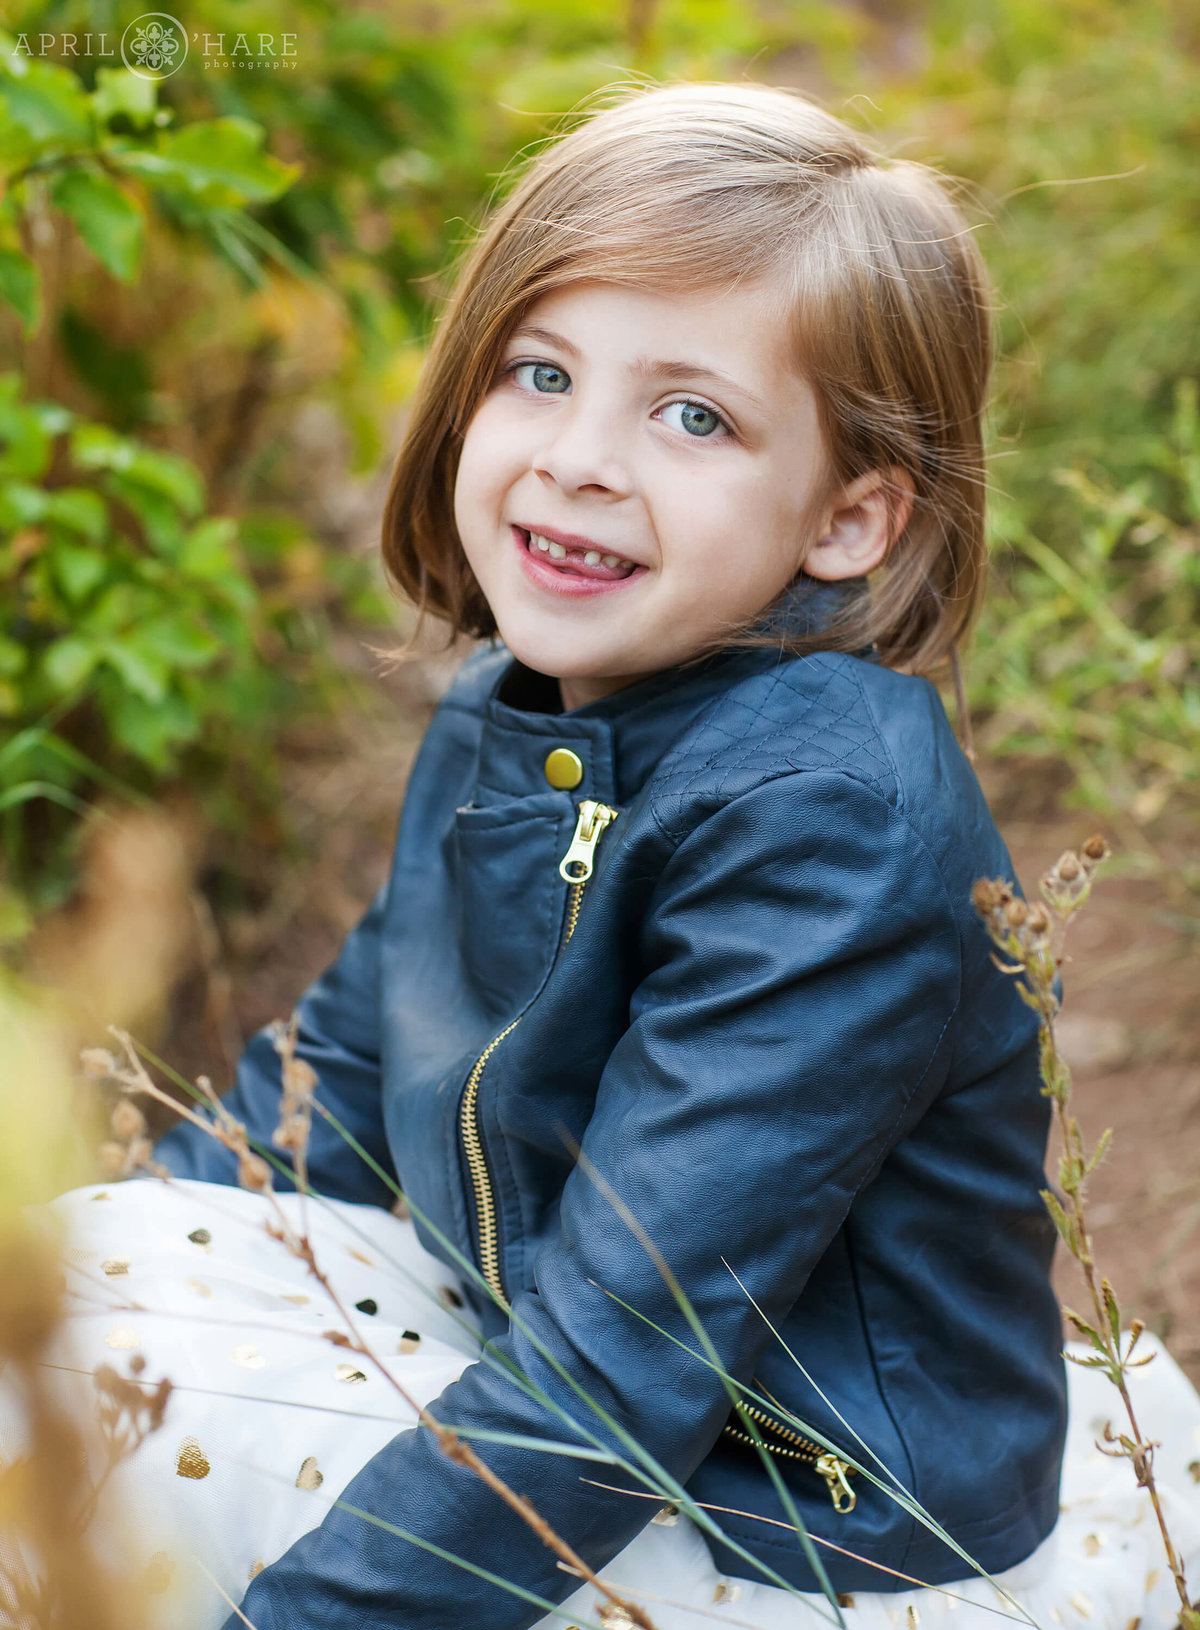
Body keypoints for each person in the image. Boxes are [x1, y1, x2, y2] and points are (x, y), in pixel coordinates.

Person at [22, 82, 1200, 1630]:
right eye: (541, 370)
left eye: (693, 413)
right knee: (76, 1322)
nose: (580, 456)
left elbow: (628, 1360)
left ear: (848, 518)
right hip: (565, 1352)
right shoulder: (504, 709)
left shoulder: (833, 817)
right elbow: (330, 1080)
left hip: (786, 1505)